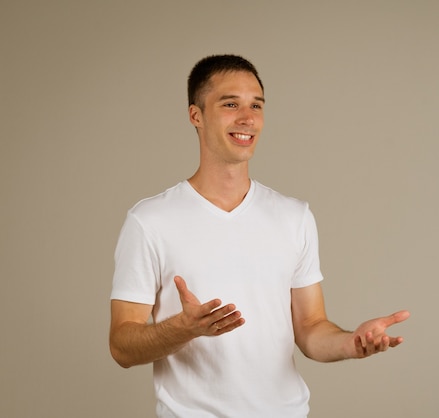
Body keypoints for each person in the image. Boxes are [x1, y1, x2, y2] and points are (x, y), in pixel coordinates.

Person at [109, 54, 410, 418]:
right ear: (196, 116)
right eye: (230, 104)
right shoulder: (150, 221)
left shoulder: (294, 216)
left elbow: (311, 328)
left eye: (256, 105)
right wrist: (183, 328)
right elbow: (122, 347)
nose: (247, 118)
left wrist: (352, 343)